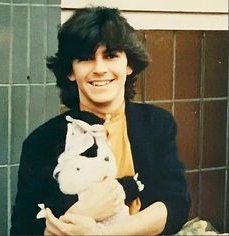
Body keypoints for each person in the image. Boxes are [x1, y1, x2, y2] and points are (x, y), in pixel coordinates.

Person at [11, 6, 191, 235]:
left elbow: (175, 204)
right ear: (70, 71)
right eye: (86, 58)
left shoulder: (156, 124)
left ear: (128, 65)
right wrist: (82, 213)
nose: (99, 69)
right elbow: (22, 229)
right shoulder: (40, 143)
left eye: (110, 56)